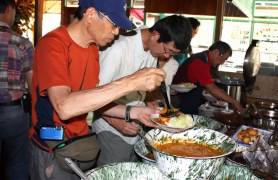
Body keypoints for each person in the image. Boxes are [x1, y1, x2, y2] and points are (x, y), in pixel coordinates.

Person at [29, 0, 166, 179]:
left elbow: (91, 101)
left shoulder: (92, 49)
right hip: (52, 147)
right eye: (114, 25)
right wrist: (131, 82)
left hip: (80, 143)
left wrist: (135, 112)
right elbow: (65, 107)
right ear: (91, 14)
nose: (117, 32)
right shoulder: (53, 44)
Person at [93, 15, 192, 165]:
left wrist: (149, 101)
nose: (166, 56)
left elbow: (141, 89)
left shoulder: (152, 50)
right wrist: (116, 122)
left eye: (172, 54)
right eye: (167, 50)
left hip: (135, 123)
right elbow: (95, 95)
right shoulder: (119, 48)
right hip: (110, 126)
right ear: (156, 35)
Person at [0, 1, 33, 180]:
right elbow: (32, 83)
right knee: (18, 164)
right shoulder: (22, 43)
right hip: (14, 113)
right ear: (8, 10)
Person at [173, 41, 244, 115]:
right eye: (223, 59)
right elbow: (212, 88)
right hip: (181, 100)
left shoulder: (205, 58)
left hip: (188, 97)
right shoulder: (200, 62)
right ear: (216, 52)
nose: (222, 62)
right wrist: (234, 102)